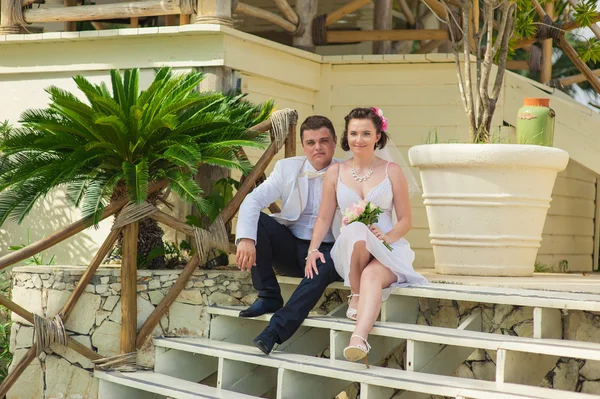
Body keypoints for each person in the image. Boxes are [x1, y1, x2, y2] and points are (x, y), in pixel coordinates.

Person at [304, 107, 428, 367]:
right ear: (346, 136)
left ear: (377, 136)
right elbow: (325, 218)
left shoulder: (391, 171)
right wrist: (313, 250)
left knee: (373, 274)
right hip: (353, 252)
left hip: (388, 248)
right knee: (357, 229)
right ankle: (358, 293)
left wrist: (388, 236)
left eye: (365, 133)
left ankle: (358, 338)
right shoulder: (335, 173)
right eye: (353, 133)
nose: (358, 139)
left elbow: (405, 220)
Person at [235, 115, 342, 355]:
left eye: (324, 140)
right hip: (292, 244)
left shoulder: (347, 171)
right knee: (258, 222)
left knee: (321, 266)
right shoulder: (287, 168)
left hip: (330, 249)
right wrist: (246, 239)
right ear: (304, 146)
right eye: (311, 142)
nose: (318, 147)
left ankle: (274, 331)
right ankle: (269, 295)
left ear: (334, 142)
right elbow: (253, 200)